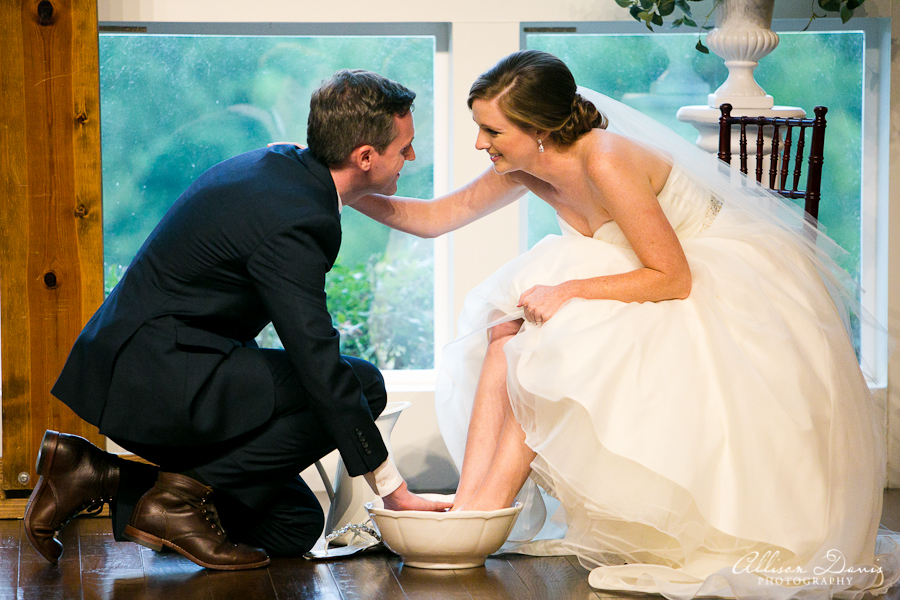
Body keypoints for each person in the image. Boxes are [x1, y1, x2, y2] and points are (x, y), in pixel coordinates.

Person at [352, 50, 897, 598]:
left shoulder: (605, 160)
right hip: (631, 273)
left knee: (548, 339)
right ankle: (474, 506)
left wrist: (567, 291)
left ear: (539, 129)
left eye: (491, 130)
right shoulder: (525, 163)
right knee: (505, 319)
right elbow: (435, 217)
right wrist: (343, 188)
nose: (480, 143)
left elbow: (672, 276)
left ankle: (483, 513)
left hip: (697, 277)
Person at [24, 69, 451, 572]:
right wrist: (393, 489)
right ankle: (176, 503)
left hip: (163, 366)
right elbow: (315, 360)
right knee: (363, 383)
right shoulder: (298, 220)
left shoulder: (280, 165)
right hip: (157, 378)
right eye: (405, 148)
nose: (412, 159)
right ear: (364, 157)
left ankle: (96, 475)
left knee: (291, 523)